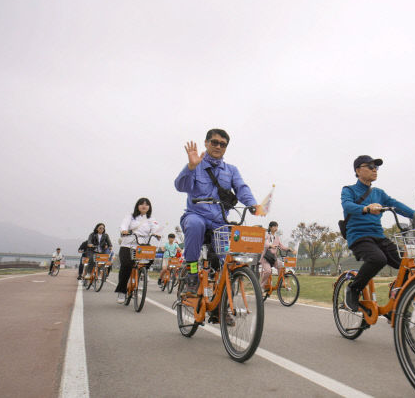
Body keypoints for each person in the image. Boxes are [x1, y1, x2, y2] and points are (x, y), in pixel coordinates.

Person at [174, 129, 260, 296]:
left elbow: (241, 188)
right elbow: (181, 186)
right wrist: (191, 167)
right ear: (206, 143)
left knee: (226, 264)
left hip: (220, 221)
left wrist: (252, 204)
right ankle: (191, 272)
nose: (218, 146)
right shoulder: (196, 165)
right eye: (214, 142)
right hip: (196, 215)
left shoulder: (231, 170)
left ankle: (223, 307)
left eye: (223, 144)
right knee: (194, 224)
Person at [341, 155, 415, 312]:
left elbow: (395, 204)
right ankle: (353, 289)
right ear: (358, 170)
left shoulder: (379, 193)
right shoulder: (349, 190)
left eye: (376, 167)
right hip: (359, 236)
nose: (375, 169)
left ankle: (394, 305)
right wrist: (366, 208)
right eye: (370, 166)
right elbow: (347, 206)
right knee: (378, 259)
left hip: (378, 236)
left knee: (405, 265)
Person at [116, 198, 162, 303]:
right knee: (126, 265)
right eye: (142, 204)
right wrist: (124, 230)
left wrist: (157, 234)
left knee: (151, 255)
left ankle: (143, 272)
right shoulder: (130, 217)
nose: (144, 206)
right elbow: (124, 224)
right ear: (138, 206)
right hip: (129, 243)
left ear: (149, 207)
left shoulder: (151, 219)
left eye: (146, 204)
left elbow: (156, 228)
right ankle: (122, 291)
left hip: (142, 244)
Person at [259, 221, 295, 292]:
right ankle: (261, 286)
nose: (276, 228)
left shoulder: (277, 237)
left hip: (273, 258)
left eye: (277, 226)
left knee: (281, 266)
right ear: (270, 227)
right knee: (268, 271)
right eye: (274, 226)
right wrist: (270, 245)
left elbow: (281, 246)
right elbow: (265, 242)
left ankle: (281, 282)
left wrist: (288, 248)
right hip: (266, 258)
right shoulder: (266, 235)